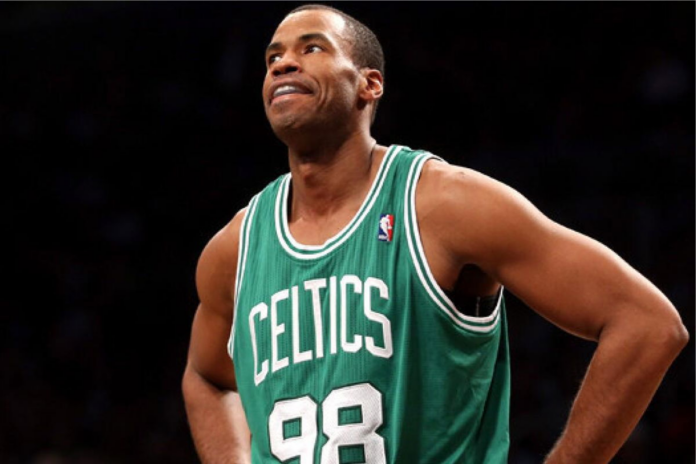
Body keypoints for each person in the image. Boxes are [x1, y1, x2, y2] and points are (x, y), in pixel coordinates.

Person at [182, 4, 689, 463]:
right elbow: (206, 377)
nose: (282, 64)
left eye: (311, 48)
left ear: (369, 85)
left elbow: (647, 324)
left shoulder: (444, 205)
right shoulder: (236, 248)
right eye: (273, 57)